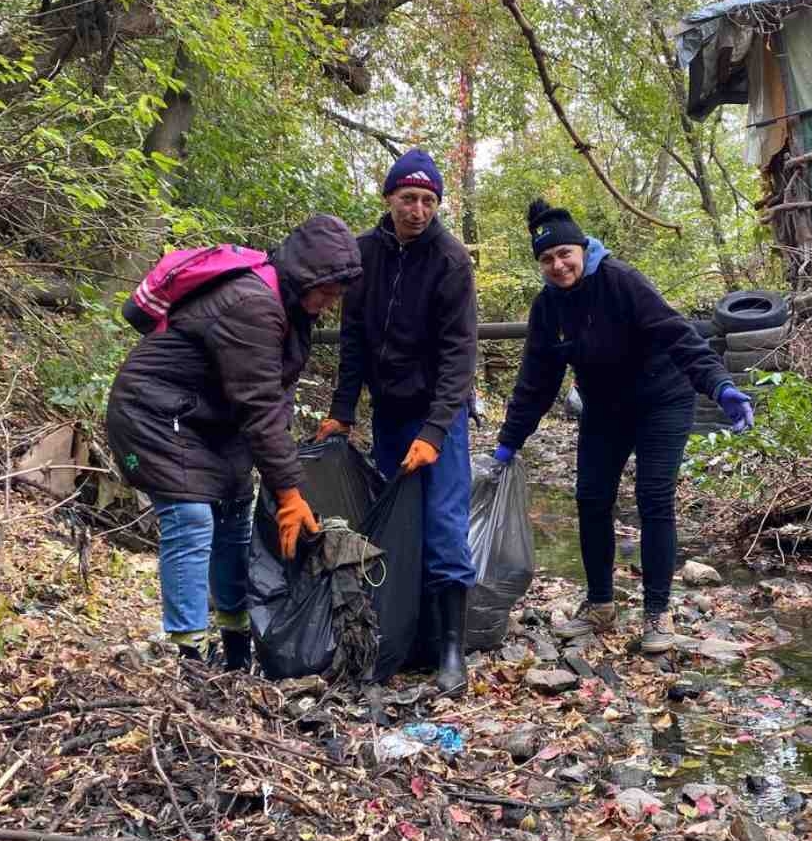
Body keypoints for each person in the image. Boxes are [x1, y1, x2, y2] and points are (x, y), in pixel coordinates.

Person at [492, 199, 754, 653]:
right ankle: (600, 605)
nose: (558, 265)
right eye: (547, 259)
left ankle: (657, 613)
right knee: (591, 498)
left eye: (564, 254)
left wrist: (719, 386)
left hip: (662, 400)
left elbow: (678, 335)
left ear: (581, 250)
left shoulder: (622, 282)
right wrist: (508, 442)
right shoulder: (547, 309)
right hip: (605, 408)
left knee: (653, 499)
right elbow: (535, 382)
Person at [105, 216, 363, 670]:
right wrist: (288, 492)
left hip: (211, 422)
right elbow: (258, 406)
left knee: (234, 520)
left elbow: (276, 397)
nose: (327, 303)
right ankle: (190, 653)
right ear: (305, 273)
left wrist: (287, 483)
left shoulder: (292, 309)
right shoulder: (252, 304)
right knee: (190, 518)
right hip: (157, 413)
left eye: (337, 295)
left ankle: (236, 637)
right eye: (325, 291)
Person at [318, 149, 479, 695]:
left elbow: (460, 356)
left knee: (443, 522)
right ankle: (404, 634)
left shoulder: (451, 261)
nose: (418, 210)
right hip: (388, 411)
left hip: (441, 413)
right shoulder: (364, 254)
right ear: (388, 199)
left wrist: (434, 433)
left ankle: (451, 650)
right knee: (394, 521)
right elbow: (354, 341)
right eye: (408, 198)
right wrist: (342, 412)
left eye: (429, 201)